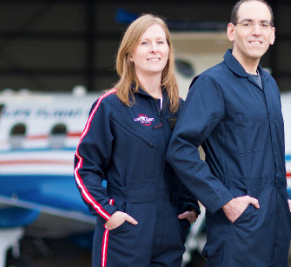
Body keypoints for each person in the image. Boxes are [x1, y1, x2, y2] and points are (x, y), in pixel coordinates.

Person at [166, 0, 291, 266]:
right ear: (231, 32)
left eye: (264, 24)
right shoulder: (213, 84)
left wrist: (284, 198)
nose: (256, 31)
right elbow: (181, 149)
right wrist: (225, 200)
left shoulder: (269, 84)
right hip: (238, 227)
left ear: (272, 35)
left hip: (276, 222)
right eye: (247, 23)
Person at [73, 14, 199, 267]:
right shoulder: (110, 106)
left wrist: (189, 205)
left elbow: (186, 163)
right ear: (129, 54)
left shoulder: (180, 109)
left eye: (160, 42)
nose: (154, 49)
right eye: (144, 43)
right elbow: (84, 168)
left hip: (171, 230)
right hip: (127, 228)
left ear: (168, 51)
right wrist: (108, 212)